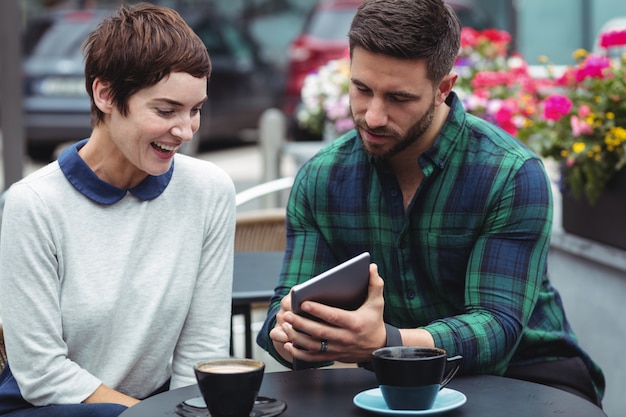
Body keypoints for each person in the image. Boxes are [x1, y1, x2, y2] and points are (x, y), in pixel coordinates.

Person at [257, 0, 605, 407]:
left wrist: (385, 343)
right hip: (392, 384)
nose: (373, 116)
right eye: (362, 89)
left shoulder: (509, 173)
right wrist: (292, 336)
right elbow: (281, 317)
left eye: (399, 98)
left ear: (443, 88)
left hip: (529, 375)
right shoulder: (322, 179)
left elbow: (497, 327)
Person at [0, 3, 235, 416]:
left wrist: (179, 412)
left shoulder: (208, 190)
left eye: (195, 109)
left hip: (156, 406)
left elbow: (202, 348)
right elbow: (41, 373)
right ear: (105, 94)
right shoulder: (33, 204)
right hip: (51, 406)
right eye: (165, 111)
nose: (185, 130)